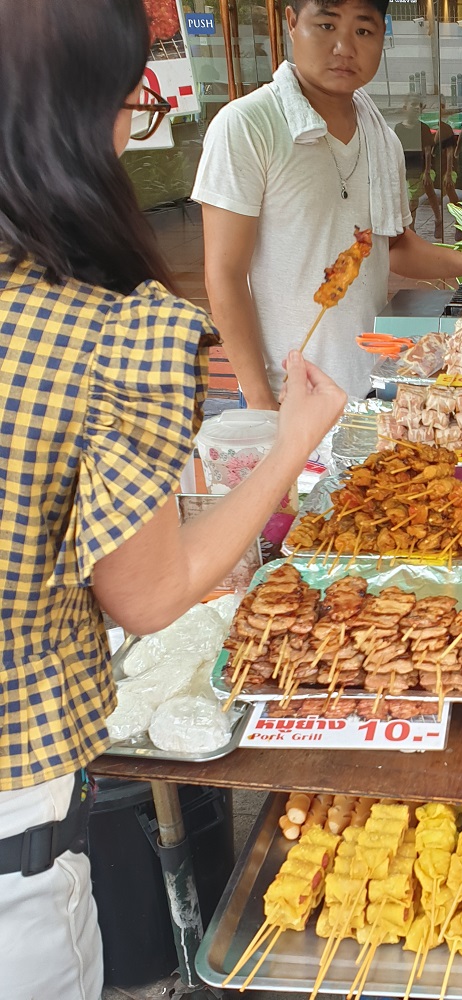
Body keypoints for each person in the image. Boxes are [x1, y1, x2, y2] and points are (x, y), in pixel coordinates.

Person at [0, 2, 346, 997]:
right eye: (134, 96)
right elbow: (147, 594)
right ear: (79, 117)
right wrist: (290, 448)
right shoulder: (107, 334)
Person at [193, 0, 462, 409]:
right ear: (293, 23)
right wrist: (262, 404)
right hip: (288, 399)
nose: (344, 47)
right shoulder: (247, 126)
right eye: (327, 25)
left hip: (370, 385)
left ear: (382, 36)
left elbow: (395, 246)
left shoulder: (381, 136)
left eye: (363, 31)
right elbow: (223, 275)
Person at [394, 94, 441, 230]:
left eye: (418, 105)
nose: (416, 108)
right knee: (413, 198)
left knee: (428, 191)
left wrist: (426, 171)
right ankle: (412, 227)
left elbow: (427, 150)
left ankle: (437, 218)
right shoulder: (399, 128)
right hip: (408, 169)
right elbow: (397, 150)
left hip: (421, 168)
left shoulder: (423, 128)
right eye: (413, 104)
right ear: (405, 108)